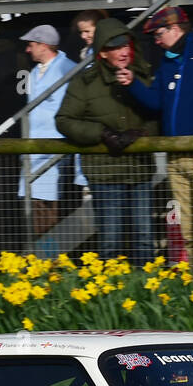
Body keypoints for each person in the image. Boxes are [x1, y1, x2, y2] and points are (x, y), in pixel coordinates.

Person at [118, 5, 193, 269]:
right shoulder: (169, 60)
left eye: (158, 33)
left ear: (175, 29)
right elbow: (156, 102)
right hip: (176, 155)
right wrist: (133, 84)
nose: (156, 40)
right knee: (188, 229)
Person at [56, 18, 158, 263]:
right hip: (105, 172)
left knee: (145, 241)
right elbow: (64, 120)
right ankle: (110, 294)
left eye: (126, 45)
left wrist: (144, 133)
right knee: (110, 242)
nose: (123, 52)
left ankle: (146, 295)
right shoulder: (85, 83)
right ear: (102, 52)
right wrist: (102, 134)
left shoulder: (143, 77)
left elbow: (157, 113)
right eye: (116, 47)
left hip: (140, 170)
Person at [18, 24, 75, 246]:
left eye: (31, 45)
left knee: (48, 214)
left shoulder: (67, 69)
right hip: (32, 151)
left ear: (43, 46)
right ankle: (40, 263)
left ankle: (49, 264)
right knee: (35, 212)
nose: (27, 50)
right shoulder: (33, 73)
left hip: (53, 152)